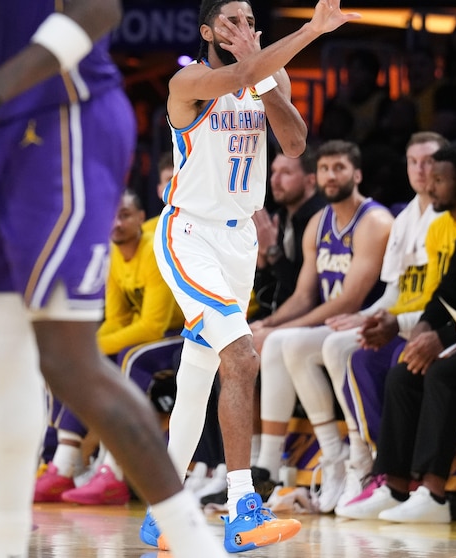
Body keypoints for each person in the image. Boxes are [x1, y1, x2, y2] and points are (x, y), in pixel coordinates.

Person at [0, 1, 240, 556]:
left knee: (68, 360)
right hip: (11, 127)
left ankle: (191, 540)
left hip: (67, 121)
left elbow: (100, 10)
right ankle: (3, 545)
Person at [142, 0, 359, 551]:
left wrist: (266, 78)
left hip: (238, 240)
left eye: (250, 21)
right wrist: (311, 30)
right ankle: (242, 509)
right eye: (232, 21)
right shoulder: (189, 80)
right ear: (208, 30)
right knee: (241, 357)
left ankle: (162, 512)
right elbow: (239, 75)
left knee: (198, 375)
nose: (244, 29)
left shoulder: (264, 77)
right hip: (190, 234)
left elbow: (295, 143)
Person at [330, 144, 456, 521]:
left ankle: (429, 489)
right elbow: (438, 296)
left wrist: (427, 334)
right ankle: (390, 480)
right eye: (421, 171)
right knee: (393, 368)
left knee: (428, 370)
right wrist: (415, 330)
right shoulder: (439, 228)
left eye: (438, 178)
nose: (429, 186)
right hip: (436, 324)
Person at [252, 139, 392, 513]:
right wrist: (266, 324)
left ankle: (350, 457)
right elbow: (303, 296)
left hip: (368, 322)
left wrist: (278, 331)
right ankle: (306, 459)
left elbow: (349, 300)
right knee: (278, 342)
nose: (331, 176)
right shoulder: (319, 222)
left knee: (287, 341)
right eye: (325, 169)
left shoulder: (375, 221)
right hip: (332, 326)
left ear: (357, 175)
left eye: (339, 168)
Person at [317, 131, 446, 515]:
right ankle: (366, 456)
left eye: (429, 161)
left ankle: (384, 462)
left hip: (425, 326)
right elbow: (394, 291)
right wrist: (365, 317)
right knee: (343, 347)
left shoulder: (448, 217)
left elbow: (442, 296)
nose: (420, 169)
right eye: (413, 162)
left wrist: (391, 320)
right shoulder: (405, 218)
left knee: (374, 357)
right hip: (400, 320)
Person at [36, 190, 186, 505]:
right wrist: (82, 350)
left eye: (125, 215)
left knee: (131, 358)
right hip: (150, 335)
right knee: (73, 359)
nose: (116, 223)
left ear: (141, 218)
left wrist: (93, 347)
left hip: (181, 330)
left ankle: (113, 472)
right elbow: (117, 320)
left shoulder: (153, 251)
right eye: (112, 216)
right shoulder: (113, 254)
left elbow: (152, 326)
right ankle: (62, 464)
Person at [249, 148, 326, 320]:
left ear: (311, 180)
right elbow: (266, 295)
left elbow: (306, 295)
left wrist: (272, 252)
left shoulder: (322, 220)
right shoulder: (276, 219)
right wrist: (261, 261)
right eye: (274, 171)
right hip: (272, 316)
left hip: (310, 320)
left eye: (286, 173)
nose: (275, 180)